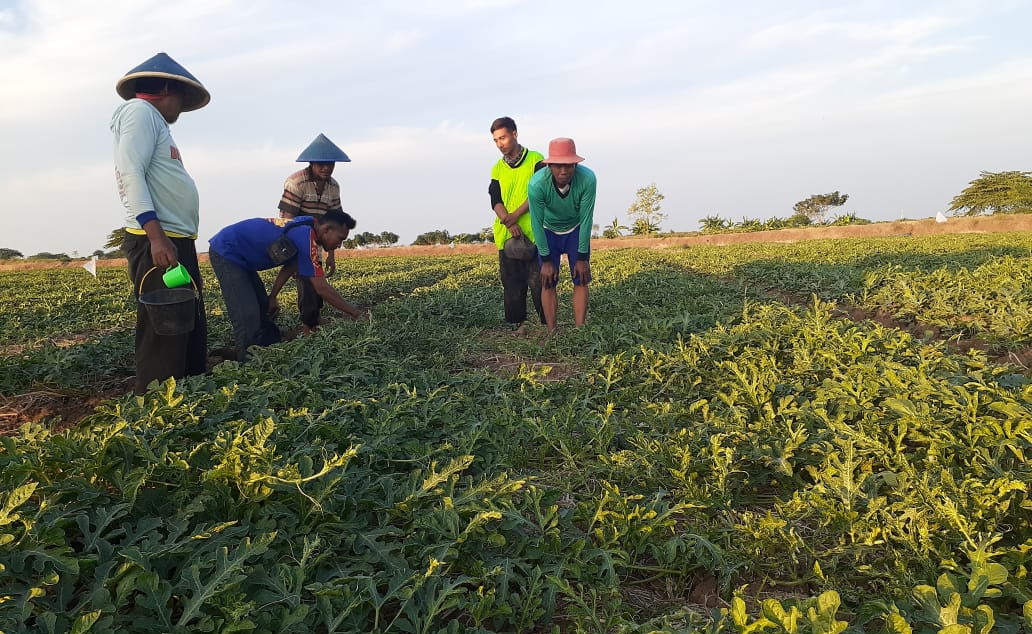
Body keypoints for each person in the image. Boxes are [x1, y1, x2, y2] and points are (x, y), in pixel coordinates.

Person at [111, 52, 211, 394]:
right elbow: (130, 174)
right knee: (165, 329)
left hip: (175, 240)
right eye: (181, 98)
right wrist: (156, 237)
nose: (182, 108)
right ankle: (157, 408)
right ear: (166, 88)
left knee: (187, 325)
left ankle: (190, 397)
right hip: (157, 240)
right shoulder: (139, 113)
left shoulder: (153, 122)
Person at [208, 211, 363, 361]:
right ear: (327, 229)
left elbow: (290, 265)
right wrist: (355, 313)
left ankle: (269, 351)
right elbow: (321, 288)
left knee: (263, 306)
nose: (339, 244)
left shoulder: (308, 228)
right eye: (340, 238)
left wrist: (273, 296)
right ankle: (247, 364)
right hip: (226, 251)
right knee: (247, 314)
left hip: (242, 259)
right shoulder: (306, 235)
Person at [278, 134, 350, 332]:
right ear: (311, 163)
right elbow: (286, 220)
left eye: (330, 164)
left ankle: (314, 317)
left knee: (317, 277)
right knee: (308, 277)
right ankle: (309, 322)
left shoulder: (333, 186)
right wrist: (291, 255)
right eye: (321, 164)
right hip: (299, 237)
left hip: (320, 238)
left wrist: (332, 255)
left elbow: (336, 222)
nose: (326, 168)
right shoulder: (296, 182)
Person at [527, 138, 597, 333]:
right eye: (558, 166)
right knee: (548, 280)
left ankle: (580, 330)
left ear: (575, 164)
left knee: (581, 278)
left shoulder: (588, 179)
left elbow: (586, 219)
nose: (563, 171)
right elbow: (536, 223)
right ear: (549, 165)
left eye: (569, 165)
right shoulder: (536, 184)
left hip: (575, 229)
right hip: (549, 231)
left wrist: (582, 257)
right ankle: (551, 331)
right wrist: (547, 260)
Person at [488, 117, 546, 333]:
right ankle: (518, 324)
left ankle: (546, 324)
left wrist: (514, 216)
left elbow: (540, 193)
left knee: (539, 282)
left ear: (515, 134)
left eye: (502, 137)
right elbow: (495, 199)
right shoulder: (497, 168)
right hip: (507, 234)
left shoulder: (536, 160)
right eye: (495, 140)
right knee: (511, 283)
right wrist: (508, 222)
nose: (500, 144)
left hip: (534, 231)